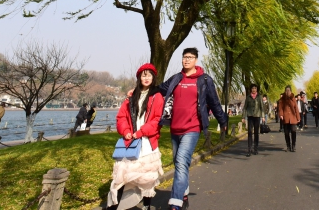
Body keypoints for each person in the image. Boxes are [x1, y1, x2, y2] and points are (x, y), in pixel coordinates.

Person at [158, 47, 228, 210]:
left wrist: (222, 121)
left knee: (182, 161)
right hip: (175, 128)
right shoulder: (176, 78)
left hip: (192, 128)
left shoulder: (204, 80)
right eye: (184, 57)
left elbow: (214, 102)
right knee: (178, 162)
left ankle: (176, 202)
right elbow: (160, 89)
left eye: (190, 57)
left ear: (196, 60)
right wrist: (139, 90)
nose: (186, 60)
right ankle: (183, 192)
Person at [108, 63, 165, 210]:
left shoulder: (157, 96)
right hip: (131, 142)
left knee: (147, 178)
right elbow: (121, 117)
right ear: (139, 77)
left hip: (147, 142)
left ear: (154, 77)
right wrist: (125, 130)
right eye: (143, 75)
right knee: (122, 176)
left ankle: (146, 206)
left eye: (149, 75)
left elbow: (157, 120)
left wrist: (141, 132)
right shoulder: (131, 96)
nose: (146, 78)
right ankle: (114, 205)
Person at [242, 84, 264, 156]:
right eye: (252, 88)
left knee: (256, 133)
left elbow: (261, 107)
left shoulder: (259, 97)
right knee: (250, 132)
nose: (254, 89)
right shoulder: (248, 97)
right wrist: (243, 117)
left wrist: (263, 116)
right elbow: (245, 107)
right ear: (251, 89)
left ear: (257, 89)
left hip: (257, 116)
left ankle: (256, 148)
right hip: (250, 116)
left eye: (255, 88)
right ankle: (249, 149)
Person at [277, 86, 301, 152]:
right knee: (286, 133)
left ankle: (293, 146)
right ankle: (288, 146)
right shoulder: (282, 99)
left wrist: (298, 118)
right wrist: (281, 115)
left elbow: (296, 108)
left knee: (293, 131)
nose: (287, 92)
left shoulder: (293, 98)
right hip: (286, 117)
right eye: (286, 90)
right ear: (285, 91)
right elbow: (280, 108)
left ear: (291, 91)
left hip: (293, 117)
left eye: (289, 90)